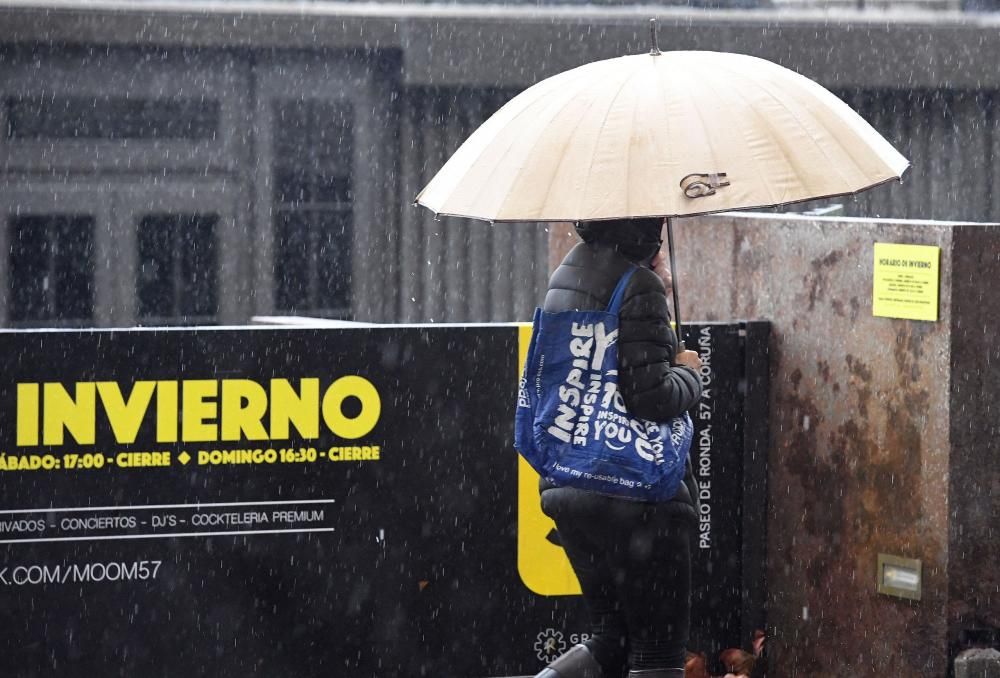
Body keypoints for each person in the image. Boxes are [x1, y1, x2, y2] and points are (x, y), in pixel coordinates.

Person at [534, 217, 704, 678]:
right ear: (644, 233)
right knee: (658, 652)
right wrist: (689, 371)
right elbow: (652, 398)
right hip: (636, 498)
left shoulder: (566, 276)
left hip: (570, 489)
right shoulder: (640, 286)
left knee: (611, 639)